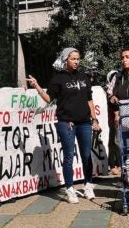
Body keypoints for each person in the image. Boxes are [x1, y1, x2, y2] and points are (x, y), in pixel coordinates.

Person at [27, 48, 100, 203]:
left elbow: (89, 100)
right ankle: (70, 189)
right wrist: (37, 86)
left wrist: (94, 119)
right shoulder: (58, 78)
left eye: (78, 59)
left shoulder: (83, 76)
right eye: (73, 59)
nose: (76, 61)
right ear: (65, 60)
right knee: (68, 157)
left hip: (85, 122)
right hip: (66, 122)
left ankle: (88, 184)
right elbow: (49, 99)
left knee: (86, 155)